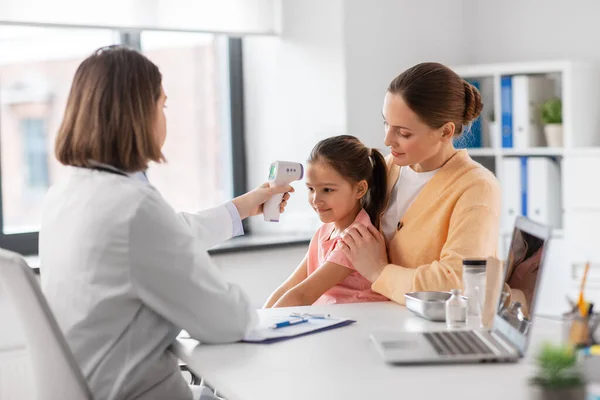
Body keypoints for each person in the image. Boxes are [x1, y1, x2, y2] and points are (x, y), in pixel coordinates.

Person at [39, 45, 293, 400]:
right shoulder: (134, 207)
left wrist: (239, 210)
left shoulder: (64, 195)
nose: (164, 116)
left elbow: (163, 236)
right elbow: (229, 322)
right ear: (139, 114)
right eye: (163, 104)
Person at [338, 62, 501, 304]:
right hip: (369, 316)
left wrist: (378, 271)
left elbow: (457, 283)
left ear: (445, 132)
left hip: (431, 329)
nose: (387, 139)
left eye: (403, 133)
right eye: (386, 123)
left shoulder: (476, 188)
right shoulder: (386, 168)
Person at [264, 135, 389, 307]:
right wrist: (261, 318)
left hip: (359, 324)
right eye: (311, 189)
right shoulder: (325, 231)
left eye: (327, 190)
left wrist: (261, 328)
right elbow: (291, 285)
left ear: (360, 189)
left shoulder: (357, 239)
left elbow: (303, 295)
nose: (316, 200)